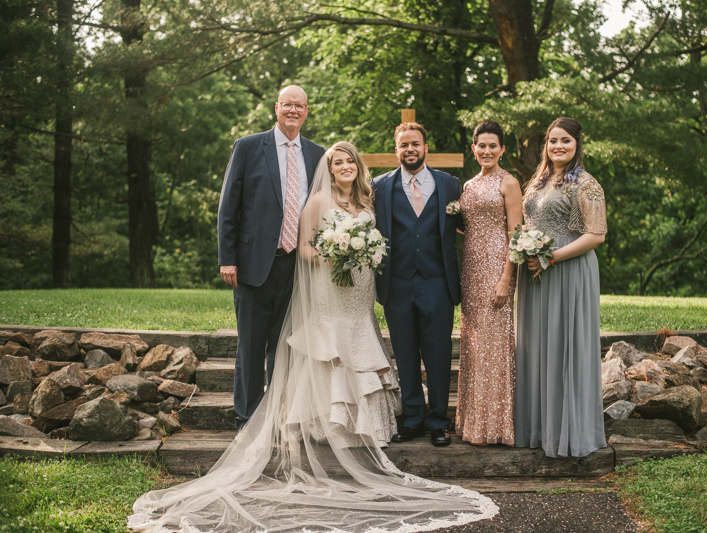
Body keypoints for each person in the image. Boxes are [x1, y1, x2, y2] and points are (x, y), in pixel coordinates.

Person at [129, 142, 498, 533]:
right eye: (337, 162)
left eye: (349, 162)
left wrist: (365, 254)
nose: (344, 167)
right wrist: (335, 255)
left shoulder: (370, 200)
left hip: (360, 290)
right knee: (332, 345)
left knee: (362, 339)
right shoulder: (319, 201)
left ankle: (386, 419)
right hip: (330, 285)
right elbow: (305, 246)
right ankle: (327, 420)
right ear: (330, 167)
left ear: (358, 166)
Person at [217, 85, 325, 429]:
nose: (294, 111)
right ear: (276, 108)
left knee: (285, 344)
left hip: (298, 266)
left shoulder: (316, 153)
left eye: (300, 106)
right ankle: (247, 414)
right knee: (251, 343)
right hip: (253, 262)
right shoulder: (249, 147)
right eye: (288, 105)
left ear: (307, 112)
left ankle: (278, 411)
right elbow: (228, 206)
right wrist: (227, 258)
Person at [515, 117, 608, 458]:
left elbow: (596, 235)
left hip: (566, 270)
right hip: (534, 271)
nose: (558, 146)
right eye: (553, 141)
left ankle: (567, 431)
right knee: (538, 346)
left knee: (563, 346)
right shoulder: (538, 181)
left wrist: (550, 258)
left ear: (577, 144)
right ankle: (539, 430)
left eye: (565, 141)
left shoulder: (586, 184)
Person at [372, 122, 462, 447]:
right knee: (405, 353)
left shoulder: (450, 185)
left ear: (425, 148)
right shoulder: (379, 187)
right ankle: (412, 419)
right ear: (396, 150)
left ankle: (439, 421)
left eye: (416, 144)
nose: (410, 149)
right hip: (396, 282)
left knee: (438, 354)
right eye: (404, 145)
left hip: (437, 281)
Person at [456, 120, 522, 446]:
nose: (486, 151)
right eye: (481, 145)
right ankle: (472, 424)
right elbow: (469, 226)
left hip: (497, 268)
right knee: (474, 344)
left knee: (494, 347)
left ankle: (495, 426)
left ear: (502, 149)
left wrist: (506, 279)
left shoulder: (509, 183)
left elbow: (517, 233)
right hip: (470, 269)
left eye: (492, 146)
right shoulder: (468, 185)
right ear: (473, 148)